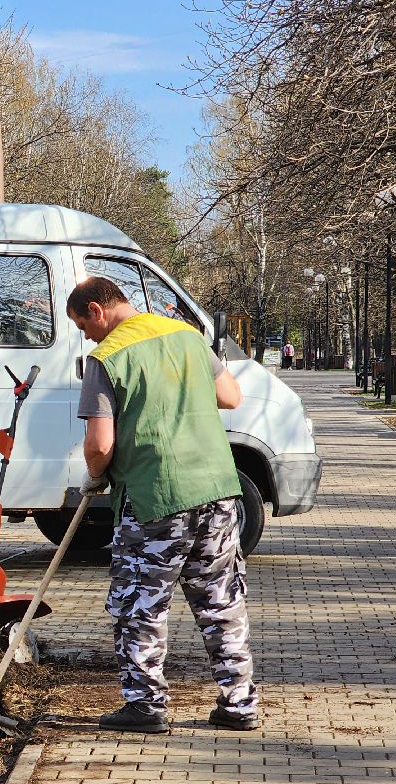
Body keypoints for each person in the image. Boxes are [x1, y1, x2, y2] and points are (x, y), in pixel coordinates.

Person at [67, 277, 259, 734]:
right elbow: (231, 396)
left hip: (156, 497)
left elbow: (100, 443)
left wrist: (95, 475)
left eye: (82, 325)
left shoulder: (106, 358)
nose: (86, 336)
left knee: (141, 604)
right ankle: (239, 704)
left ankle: (145, 707)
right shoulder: (186, 336)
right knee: (219, 598)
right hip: (217, 489)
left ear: (97, 310)